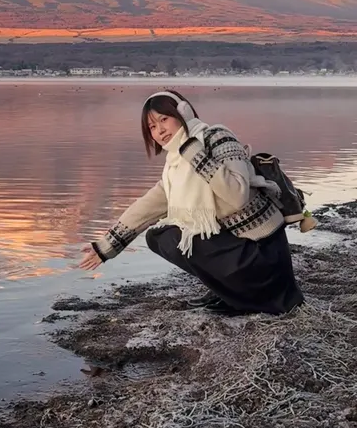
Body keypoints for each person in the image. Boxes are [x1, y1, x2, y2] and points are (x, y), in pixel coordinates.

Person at [79, 90, 304, 316]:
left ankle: (240, 292)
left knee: (176, 237)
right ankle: (227, 290)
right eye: (152, 127)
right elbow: (146, 207)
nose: (160, 131)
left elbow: (237, 196)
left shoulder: (217, 138)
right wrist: (105, 247)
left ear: (183, 113)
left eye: (164, 119)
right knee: (158, 237)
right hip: (243, 254)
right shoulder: (176, 165)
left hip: (264, 254)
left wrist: (195, 153)